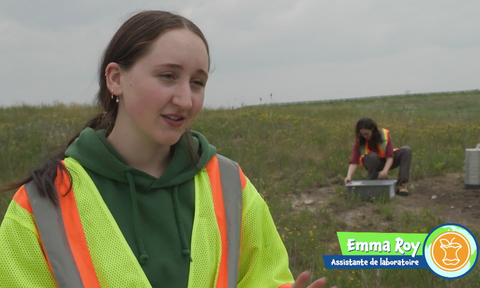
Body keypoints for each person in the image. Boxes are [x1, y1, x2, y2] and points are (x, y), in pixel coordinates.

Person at [0, 11, 335, 288]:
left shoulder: (231, 185)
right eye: (167, 76)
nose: (185, 100)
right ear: (115, 79)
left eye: (197, 82)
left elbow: (264, 277)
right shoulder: (42, 205)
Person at [344, 117, 412, 196]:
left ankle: (402, 184)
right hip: (372, 161)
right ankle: (373, 181)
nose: (365, 136)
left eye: (367, 133)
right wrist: (348, 176)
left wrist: (385, 171)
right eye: (362, 134)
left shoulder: (384, 135)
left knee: (406, 150)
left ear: (372, 129)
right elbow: (354, 161)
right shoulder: (360, 140)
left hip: (387, 161)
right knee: (372, 156)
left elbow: (390, 157)